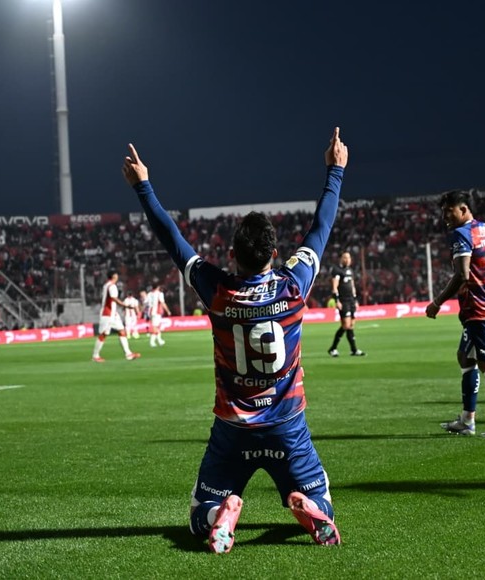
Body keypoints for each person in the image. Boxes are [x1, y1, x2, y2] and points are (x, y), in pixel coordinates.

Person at [122, 128, 347, 553]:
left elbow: (174, 240)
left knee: (196, 518)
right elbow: (321, 226)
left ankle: (221, 510)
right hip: (287, 426)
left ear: (232, 255)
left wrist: (144, 187)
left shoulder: (217, 290)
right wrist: (335, 170)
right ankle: (307, 505)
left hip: (233, 429)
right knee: (325, 505)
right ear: (274, 254)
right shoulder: (293, 285)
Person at [425, 190, 485, 438]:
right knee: (465, 357)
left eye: (449, 211)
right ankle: (467, 420)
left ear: (464, 209)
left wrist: (437, 302)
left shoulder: (461, 233)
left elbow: (463, 274)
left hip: (478, 309)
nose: (445, 217)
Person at [92, 272, 140, 363]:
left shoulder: (106, 285)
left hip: (112, 313)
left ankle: (128, 354)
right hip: (108, 314)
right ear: (114, 276)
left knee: (122, 330)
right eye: (116, 275)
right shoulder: (112, 286)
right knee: (103, 334)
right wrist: (125, 305)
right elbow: (113, 298)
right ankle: (95, 355)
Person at [327, 251, 365, 357]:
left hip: (351, 300)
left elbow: (352, 285)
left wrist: (355, 299)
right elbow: (334, 287)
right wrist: (337, 300)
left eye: (349, 258)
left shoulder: (349, 270)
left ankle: (354, 350)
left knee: (351, 325)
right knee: (346, 325)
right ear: (341, 259)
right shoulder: (336, 270)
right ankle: (333, 348)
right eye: (345, 258)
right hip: (343, 301)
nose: (347, 260)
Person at [145, 282, 172, 347]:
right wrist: (168, 311)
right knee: (155, 327)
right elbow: (162, 303)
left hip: (150, 312)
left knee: (156, 326)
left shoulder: (149, 294)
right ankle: (152, 342)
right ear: (158, 287)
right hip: (156, 312)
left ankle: (159, 340)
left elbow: (145, 303)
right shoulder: (160, 294)